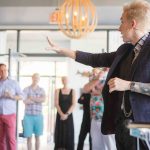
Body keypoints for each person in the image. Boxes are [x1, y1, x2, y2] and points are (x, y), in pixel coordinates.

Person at [46, 0, 150, 149]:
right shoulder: (125, 51)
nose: (119, 28)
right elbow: (94, 59)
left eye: (122, 22)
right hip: (122, 124)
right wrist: (63, 51)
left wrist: (128, 85)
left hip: (144, 125)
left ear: (132, 24)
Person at [84, 68, 116, 150]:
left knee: (110, 144)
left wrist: (96, 90)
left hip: (107, 117)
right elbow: (86, 89)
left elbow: (106, 91)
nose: (94, 74)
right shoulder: (94, 78)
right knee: (96, 144)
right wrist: (98, 78)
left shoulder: (111, 76)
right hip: (95, 117)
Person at [0, 63, 23, 150]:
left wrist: (12, 96)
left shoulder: (14, 83)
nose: (3, 72)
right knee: (1, 139)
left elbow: (22, 96)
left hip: (10, 115)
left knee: (11, 138)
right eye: (1, 71)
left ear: (7, 71)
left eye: (5, 70)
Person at [23, 73, 45, 150]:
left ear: (39, 79)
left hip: (38, 116)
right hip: (28, 116)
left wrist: (31, 98)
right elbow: (25, 101)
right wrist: (37, 100)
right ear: (32, 78)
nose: (36, 79)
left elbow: (43, 100)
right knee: (29, 137)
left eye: (37, 78)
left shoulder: (41, 90)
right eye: (35, 77)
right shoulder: (26, 89)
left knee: (37, 137)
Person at [54, 76, 76, 150]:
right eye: (63, 80)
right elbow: (56, 104)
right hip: (60, 114)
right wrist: (62, 114)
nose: (65, 81)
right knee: (60, 132)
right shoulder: (57, 90)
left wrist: (66, 114)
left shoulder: (73, 91)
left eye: (66, 79)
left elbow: (74, 104)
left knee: (68, 133)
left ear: (68, 81)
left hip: (68, 115)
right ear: (62, 81)